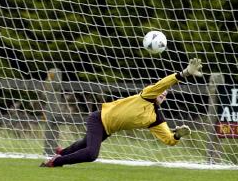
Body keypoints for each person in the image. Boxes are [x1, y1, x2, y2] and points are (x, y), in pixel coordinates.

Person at [40, 58, 204, 168]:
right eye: (161, 92)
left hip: (108, 128)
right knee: (91, 154)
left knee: (84, 144)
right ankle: (55, 162)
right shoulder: (147, 95)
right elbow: (163, 83)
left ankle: (61, 153)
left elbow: (168, 139)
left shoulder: (155, 118)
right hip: (98, 118)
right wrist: (185, 73)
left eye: (164, 95)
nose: (162, 94)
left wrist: (178, 136)